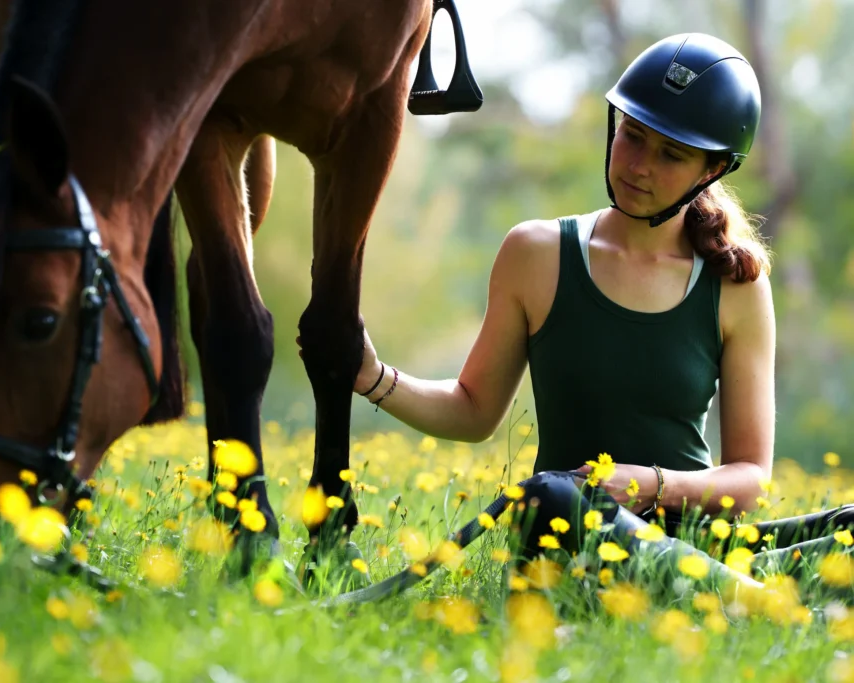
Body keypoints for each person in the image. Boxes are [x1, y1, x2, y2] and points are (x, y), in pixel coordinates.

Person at [324, 33, 854, 582]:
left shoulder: (737, 285)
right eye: (632, 135)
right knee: (550, 495)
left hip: (698, 543)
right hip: (571, 534)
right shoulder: (535, 254)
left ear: (712, 170)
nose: (639, 165)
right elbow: (473, 409)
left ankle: (734, 596)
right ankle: (757, 601)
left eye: (670, 153)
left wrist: (650, 485)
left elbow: (748, 480)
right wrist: (370, 376)